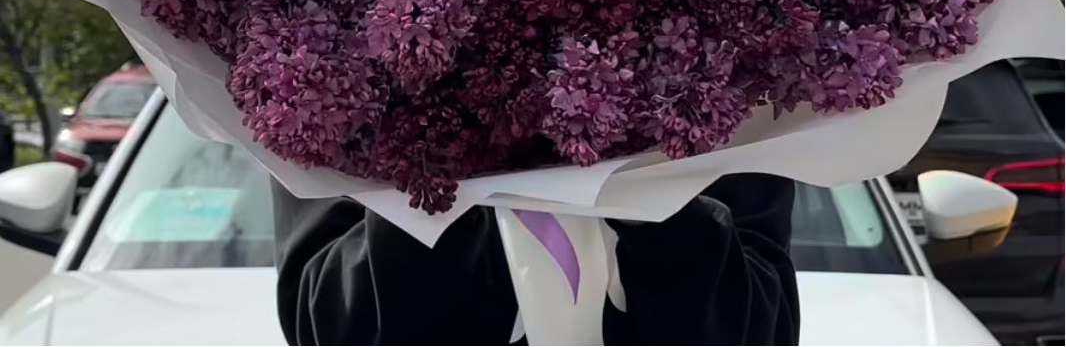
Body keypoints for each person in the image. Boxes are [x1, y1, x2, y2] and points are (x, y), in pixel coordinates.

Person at [271, 172, 799, 346]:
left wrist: (651, 188)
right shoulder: (334, 34)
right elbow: (328, 326)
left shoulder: (724, 37)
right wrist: (436, 175)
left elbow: (761, 329)